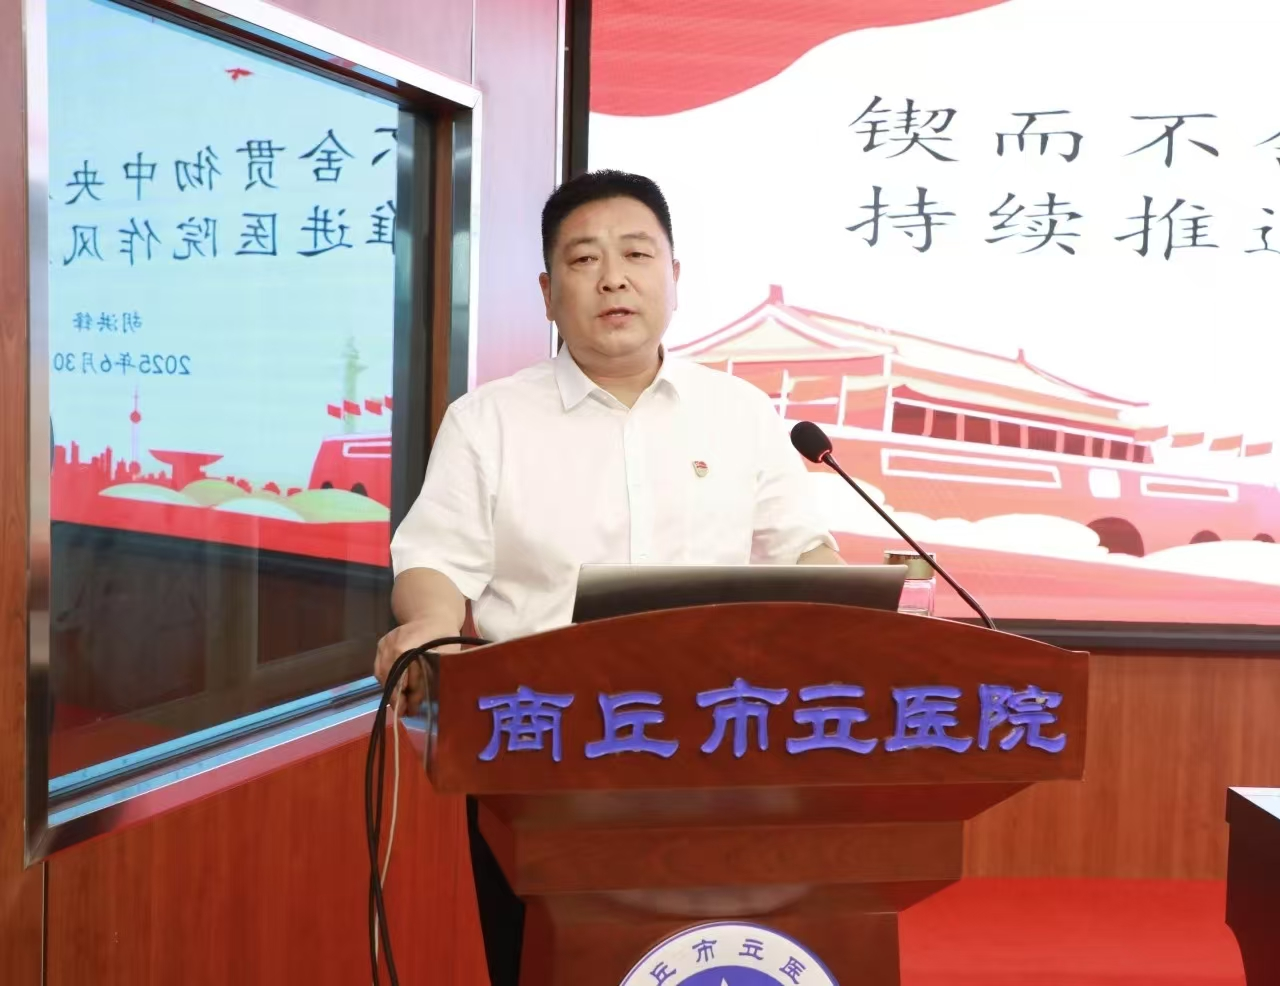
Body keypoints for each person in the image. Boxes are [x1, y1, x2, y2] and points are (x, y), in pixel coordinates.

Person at [374, 169, 840, 712]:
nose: (613, 279)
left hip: (720, 720)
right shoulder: (486, 420)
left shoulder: (741, 411)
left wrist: (864, 612)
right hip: (542, 721)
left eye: (637, 255)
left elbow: (802, 551)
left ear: (674, 278)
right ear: (547, 294)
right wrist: (432, 624)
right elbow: (435, 560)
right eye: (584, 259)